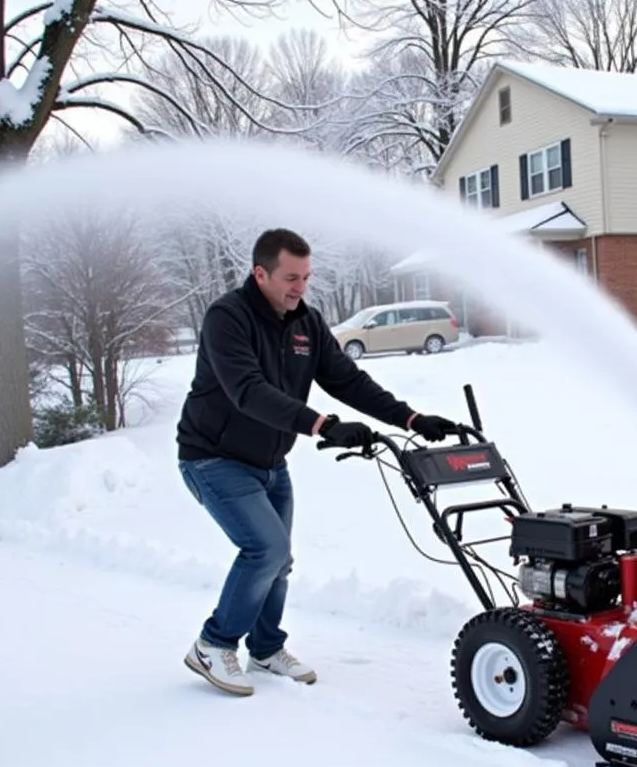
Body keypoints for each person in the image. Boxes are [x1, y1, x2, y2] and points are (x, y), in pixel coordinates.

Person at [176, 228, 457, 696]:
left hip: (270, 461)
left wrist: (409, 417)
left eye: (306, 277)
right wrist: (323, 425)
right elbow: (247, 391)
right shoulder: (228, 318)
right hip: (213, 457)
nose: (299, 287)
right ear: (259, 273)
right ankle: (213, 644)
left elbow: (347, 379)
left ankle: (264, 649)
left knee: (279, 560)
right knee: (264, 549)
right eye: (290, 277)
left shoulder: (306, 323)